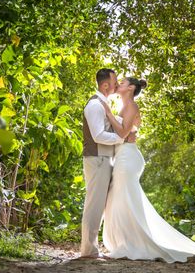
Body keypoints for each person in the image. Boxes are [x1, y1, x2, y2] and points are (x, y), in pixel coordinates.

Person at [101, 77, 195, 262]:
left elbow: (123, 133)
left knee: (124, 200)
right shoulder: (125, 107)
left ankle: (131, 244)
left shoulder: (132, 106)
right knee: (118, 200)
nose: (118, 84)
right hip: (122, 155)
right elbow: (127, 132)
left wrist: (108, 114)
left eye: (123, 82)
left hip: (127, 157)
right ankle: (126, 242)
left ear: (131, 88)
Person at [80, 68, 135, 258]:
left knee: (99, 203)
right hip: (96, 158)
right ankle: (88, 250)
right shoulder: (95, 105)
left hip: (103, 158)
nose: (117, 83)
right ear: (105, 85)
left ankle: (91, 248)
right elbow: (98, 135)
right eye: (114, 81)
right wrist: (121, 139)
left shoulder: (103, 104)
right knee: (94, 204)